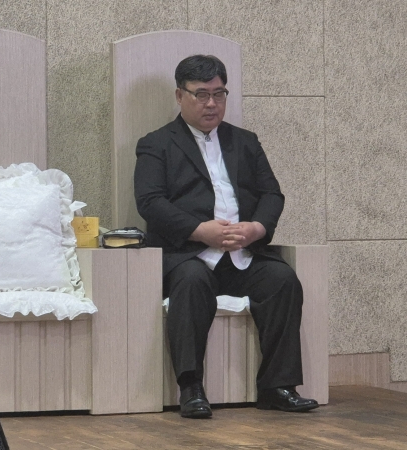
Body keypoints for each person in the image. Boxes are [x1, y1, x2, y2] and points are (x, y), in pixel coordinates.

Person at [133, 54, 318, 418]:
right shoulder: (156, 144)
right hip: (189, 255)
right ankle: (191, 389)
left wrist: (256, 228)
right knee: (191, 282)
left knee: (282, 280)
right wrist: (200, 231)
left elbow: (271, 194)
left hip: (241, 255)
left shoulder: (245, 142)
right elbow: (150, 202)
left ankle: (277, 387)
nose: (212, 103)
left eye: (219, 94)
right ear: (180, 96)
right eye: (201, 94)